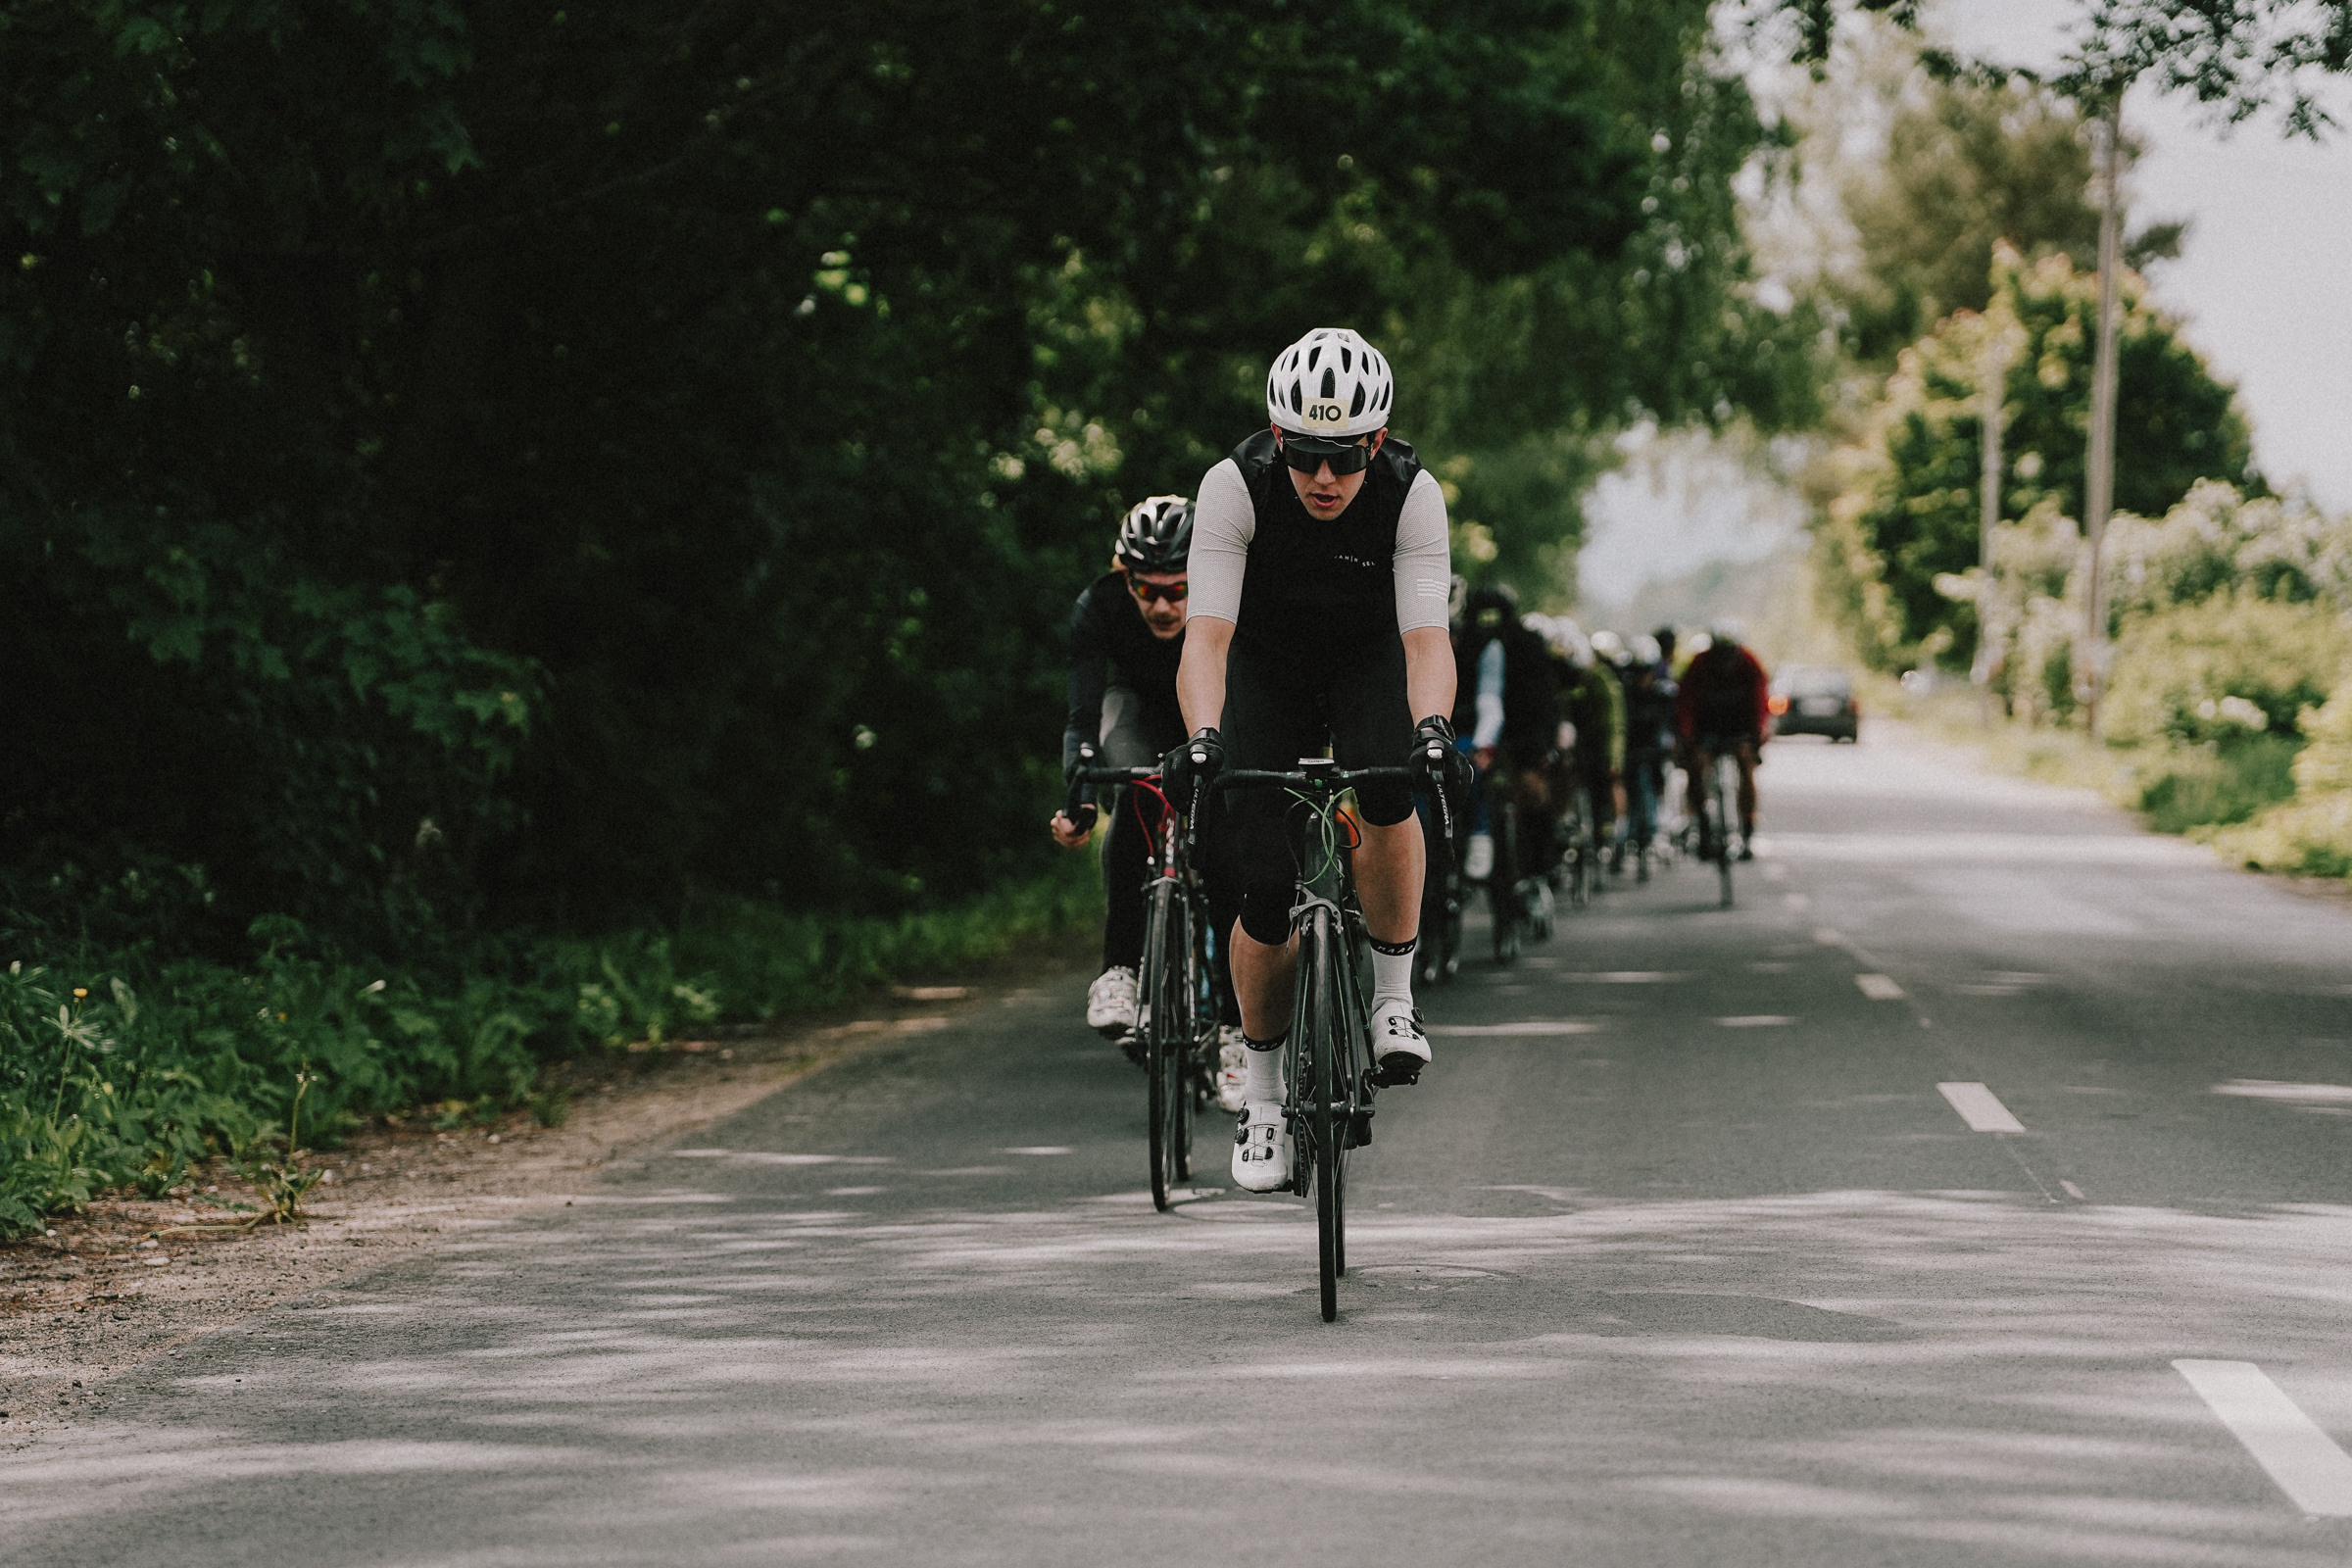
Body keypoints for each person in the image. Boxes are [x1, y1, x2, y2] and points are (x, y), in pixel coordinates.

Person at [1163, 326, 1463, 1193]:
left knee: (1388, 779)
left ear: (1375, 442)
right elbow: (1208, 637)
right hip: (1265, 668)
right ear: (1275, 437)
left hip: (1369, 659)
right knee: (1259, 879)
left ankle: (1394, 1000)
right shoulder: (1233, 485)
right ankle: (1261, 1101)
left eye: (1342, 457)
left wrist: (1434, 728)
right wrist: (1204, 738)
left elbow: (1424, 639)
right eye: (1302, 456)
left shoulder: (1412, 494)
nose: (1323, 479)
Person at [1049, 496, 1250, 1110]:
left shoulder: (1236, 600)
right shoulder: (1100, 606)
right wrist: (1080, 798)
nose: (1162, 605)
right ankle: (1120, 971)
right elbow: (1083, 718)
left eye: (1178, 589)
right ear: (1123, 575)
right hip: (1136, 711)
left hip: (1212, 712)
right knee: (1137, 793)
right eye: (1146, 588)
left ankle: (1236, 1031)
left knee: (1224, 852)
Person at [1451, 584, 1558, 916]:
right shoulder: (1462, 644)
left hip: (1522, 735)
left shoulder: (1530, 647)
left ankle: (1538, 872)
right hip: (1473, 730)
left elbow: (1544, 701)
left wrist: (1542, 745)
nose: (1489, 626)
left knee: (1531, 793)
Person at [1675, 620, 1771, 858]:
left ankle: (1747, 829)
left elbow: (1760, 702)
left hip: (1740, 727)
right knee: (1696, 767)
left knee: (1746, 766)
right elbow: (1685, 702)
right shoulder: (1699, 664)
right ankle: (1704, 823)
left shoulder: (1749, 663)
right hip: (1707, 727)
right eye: (1719, 654)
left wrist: (1758, 734)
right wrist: (1688, 737)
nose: (1725, 661)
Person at [1549, 620, 1625, 875]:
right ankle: (1561, 823)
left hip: (1595, 739)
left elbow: (1614, 723)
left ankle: (1608, 828)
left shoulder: (1600, 678)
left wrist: (1614, 759)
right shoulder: (1553, 677)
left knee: (1602, 779)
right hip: (1564, 737)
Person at [1618, 634, 1678, 880]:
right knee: (1628, 789)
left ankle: (1657, 829)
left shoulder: (1665, 693)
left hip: (1655, 751)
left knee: (1657, 783)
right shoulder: (1623, 694)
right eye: (1638, 672)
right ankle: (1622, 836)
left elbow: (1672, 725)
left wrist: (1672, 744)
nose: (1643, 677)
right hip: (1630, 751)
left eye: (1647, 671)